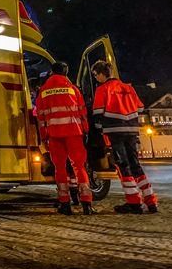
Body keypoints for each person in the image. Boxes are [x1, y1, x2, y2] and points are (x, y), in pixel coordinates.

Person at [91, 60, 158, 214]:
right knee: (136, 165)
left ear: (101, 74)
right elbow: (140, 107)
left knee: (123, 166)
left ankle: (134, 203)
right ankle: (151, 202)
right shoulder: (129, 88)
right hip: (132, 131)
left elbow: (97, 112)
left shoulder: (103, 89)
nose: (96, 79)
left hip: (115, 132)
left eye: (96, 76)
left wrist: (100, 128)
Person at [36, 61, 94, 215]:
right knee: (79, 167)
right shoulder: (73, 89)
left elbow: (41, 118)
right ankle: (87, 203)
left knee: (60, 169)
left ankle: (65, 204)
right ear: (66, 73)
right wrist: (85, 131)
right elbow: (82, 113)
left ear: (51, 72)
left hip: (54, 135)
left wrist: (43, 138)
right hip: (74, 132)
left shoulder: (43, 91)